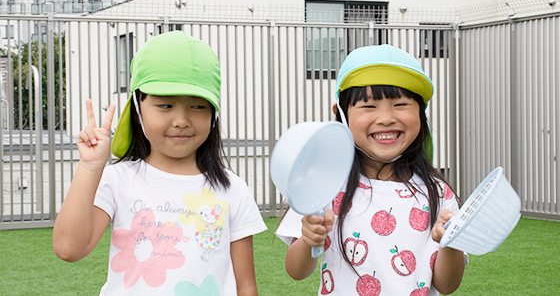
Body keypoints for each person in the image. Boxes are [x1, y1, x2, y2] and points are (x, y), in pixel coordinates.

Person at [53, 31, 267, 296]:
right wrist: (90, 167)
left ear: (214, 113)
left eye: (198, 106)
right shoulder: (117, 179)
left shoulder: (233, 189)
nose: (181, 120)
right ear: (137, 108)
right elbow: (68, 248)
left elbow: (245, 285)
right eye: (165, 105)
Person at [275, 44, 465, 296]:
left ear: (421, 112)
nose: (386, 118)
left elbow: (447, 285)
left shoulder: (439, 193)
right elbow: (296, 271)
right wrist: (311, 238)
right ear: (341, 114)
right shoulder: (324, 183)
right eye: (369, 106)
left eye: (400, 104)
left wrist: (449, 244)